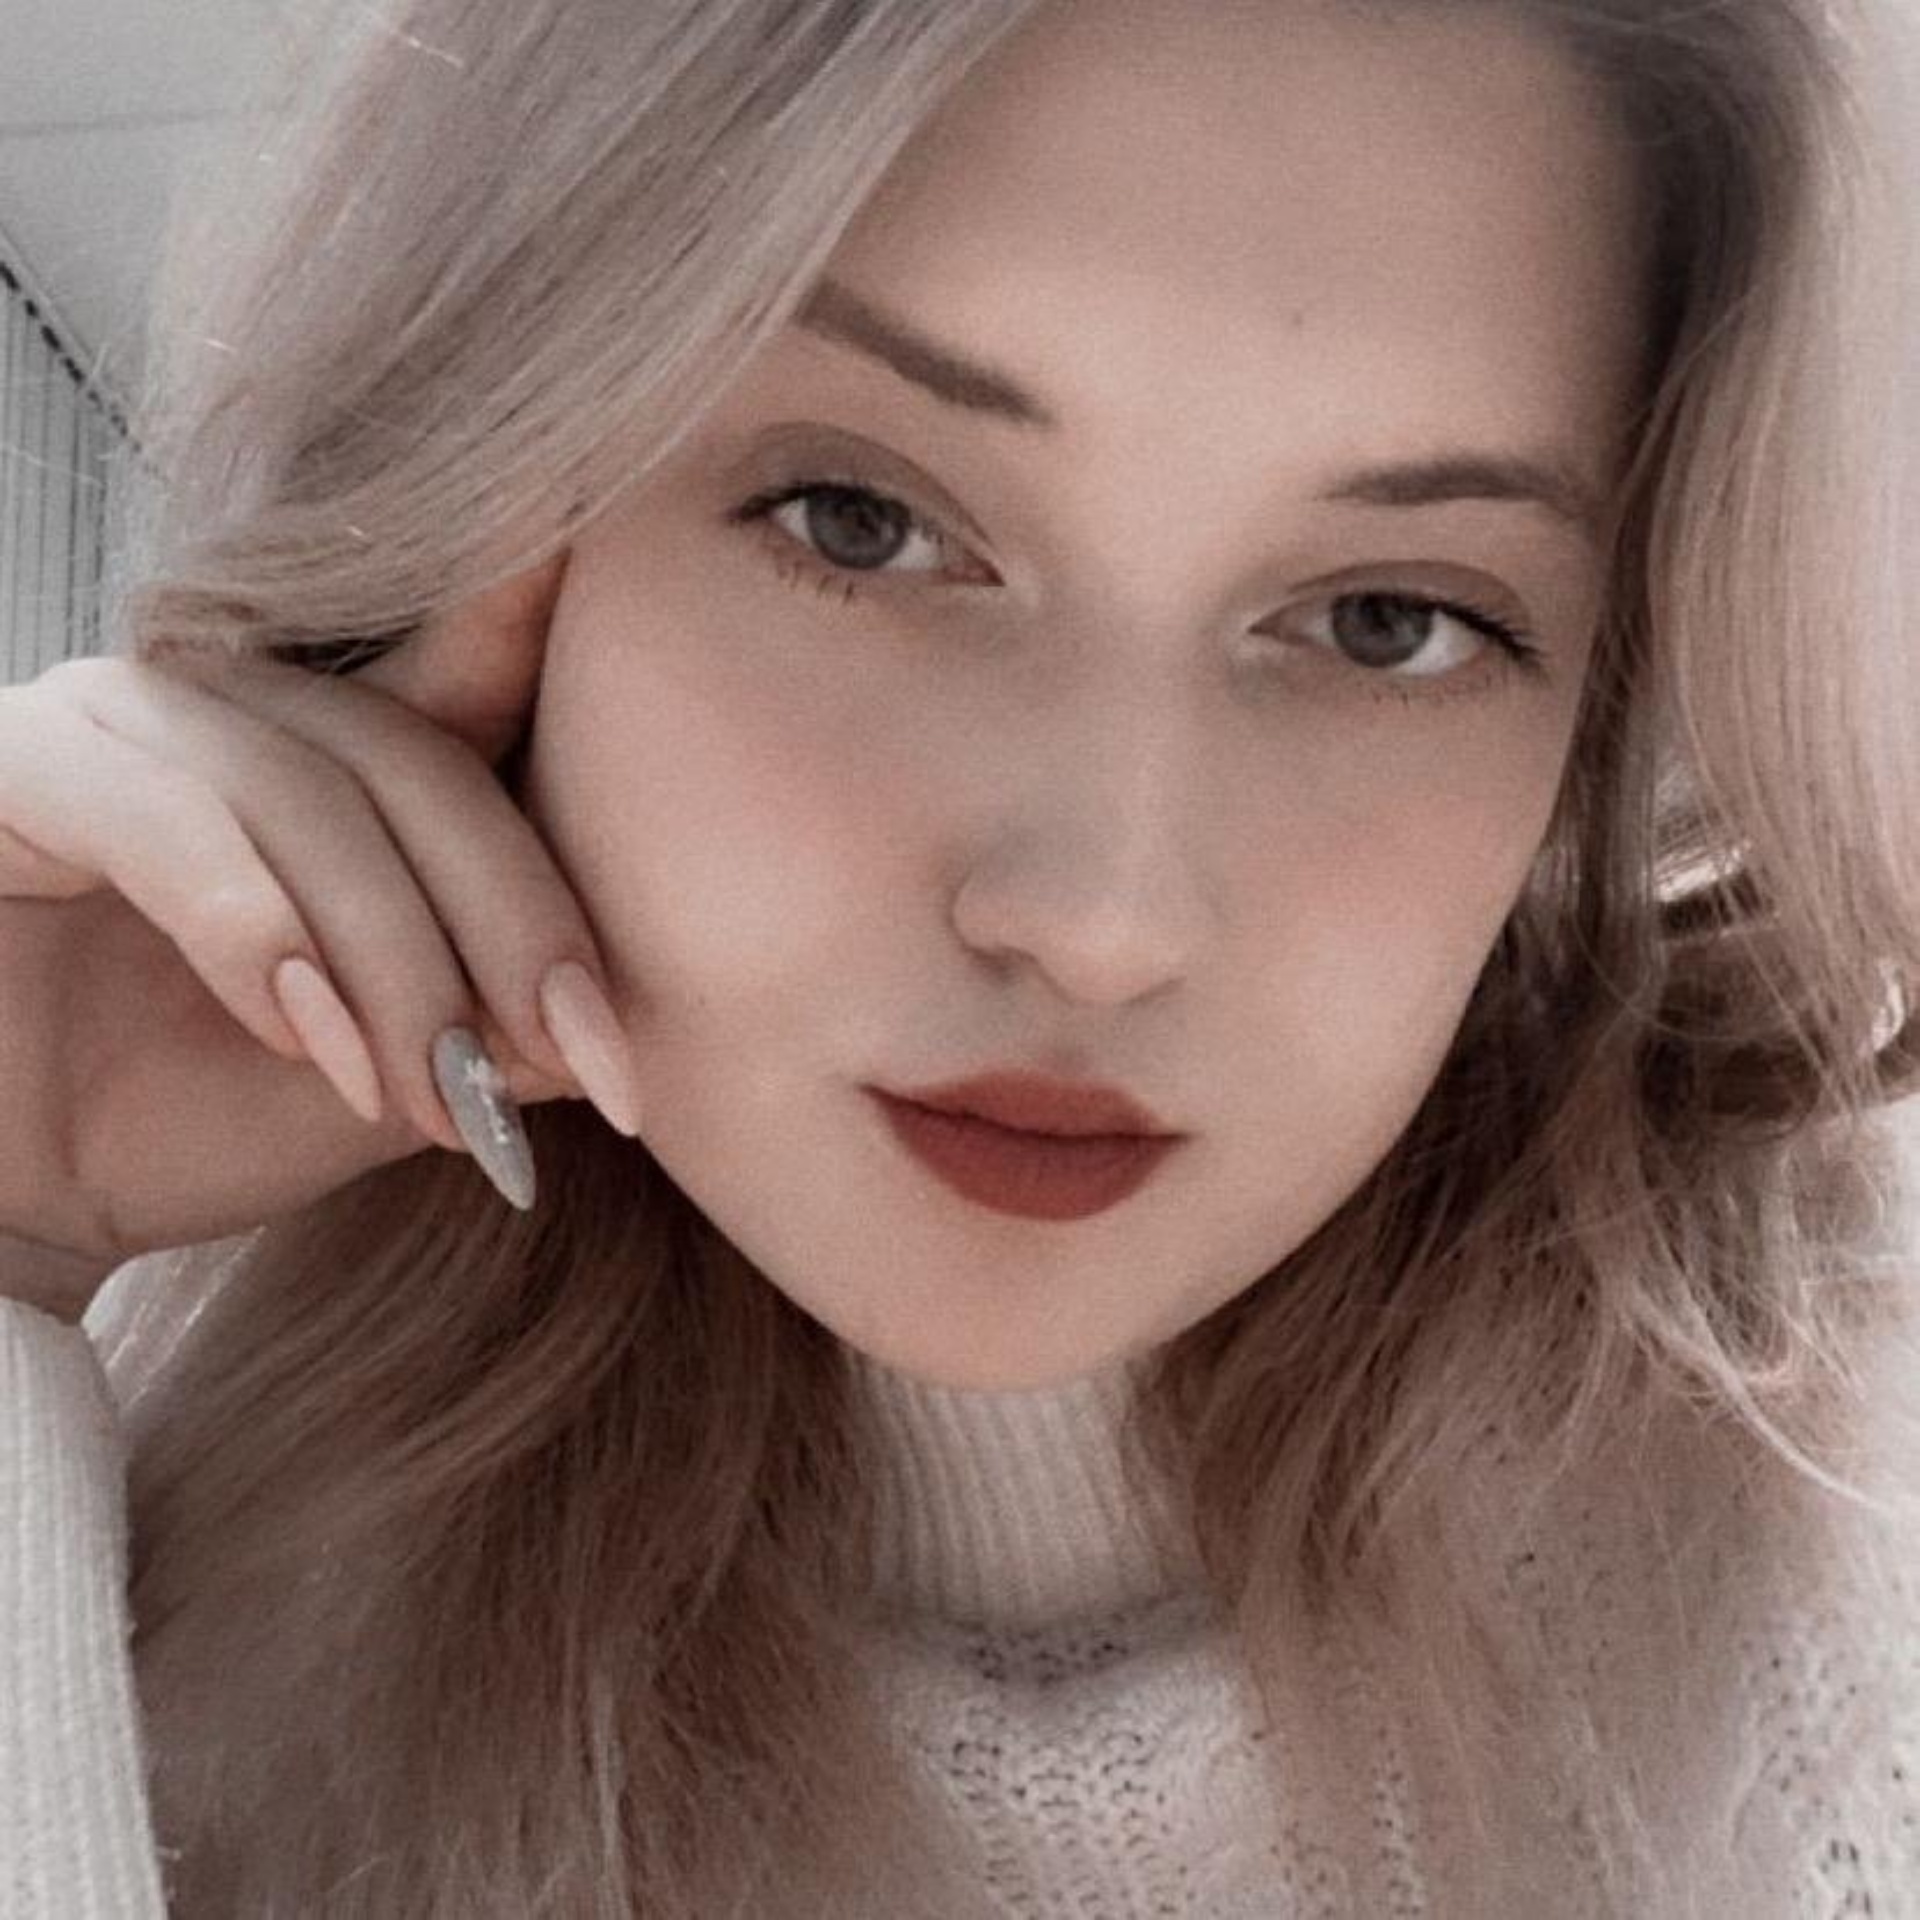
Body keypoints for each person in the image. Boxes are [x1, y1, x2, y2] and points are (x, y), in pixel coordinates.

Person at [2, 0, 1917, 1910]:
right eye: (861, 523)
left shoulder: (1851, 1491)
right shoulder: (123, 1536)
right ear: (485, 533)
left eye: (1389, 620)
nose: (1101, 925)